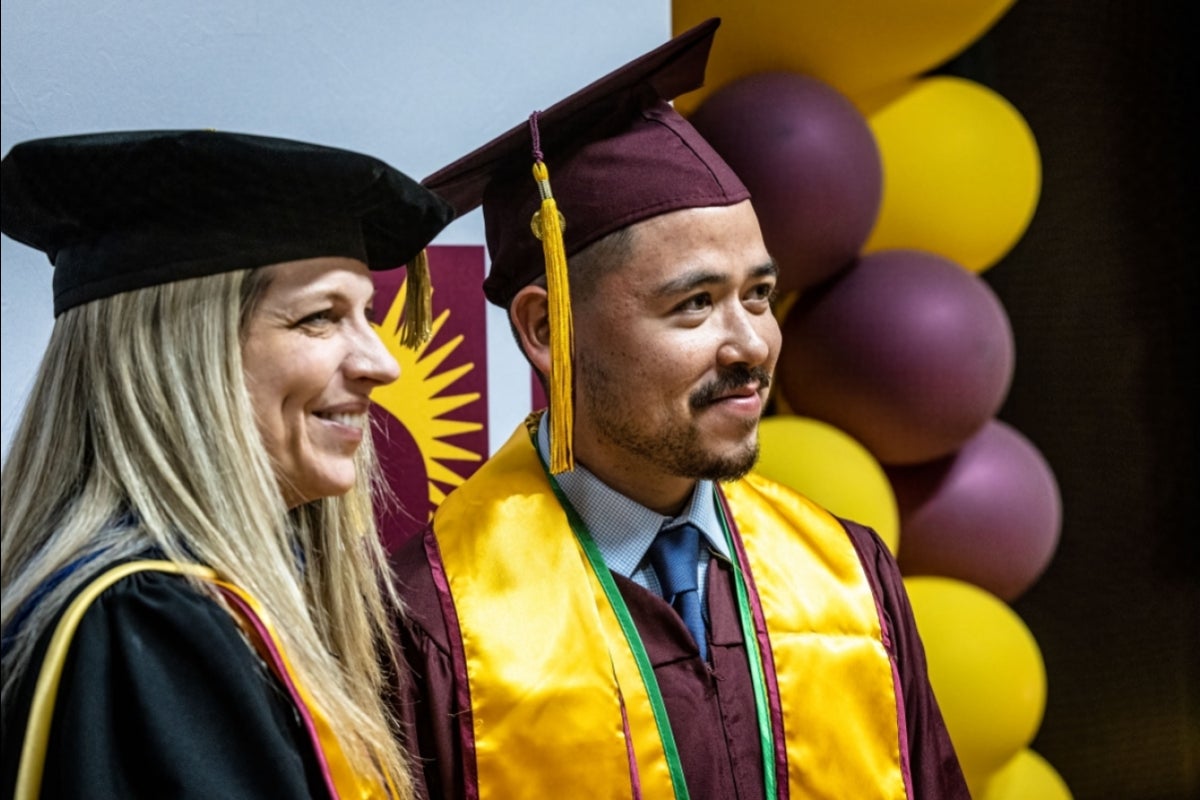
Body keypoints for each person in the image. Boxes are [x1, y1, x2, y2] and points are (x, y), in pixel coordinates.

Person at [390, 18, 971, 800]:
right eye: (695, 305)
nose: (751, 346)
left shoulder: (847, 577)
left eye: (758, 296)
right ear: (545, 328)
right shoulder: (432, 620)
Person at [0, 129, 455, 799]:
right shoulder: (148, 622)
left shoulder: (209, 603)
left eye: (367, 314)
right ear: (181, 358)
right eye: (320, 318)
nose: (381, 363)